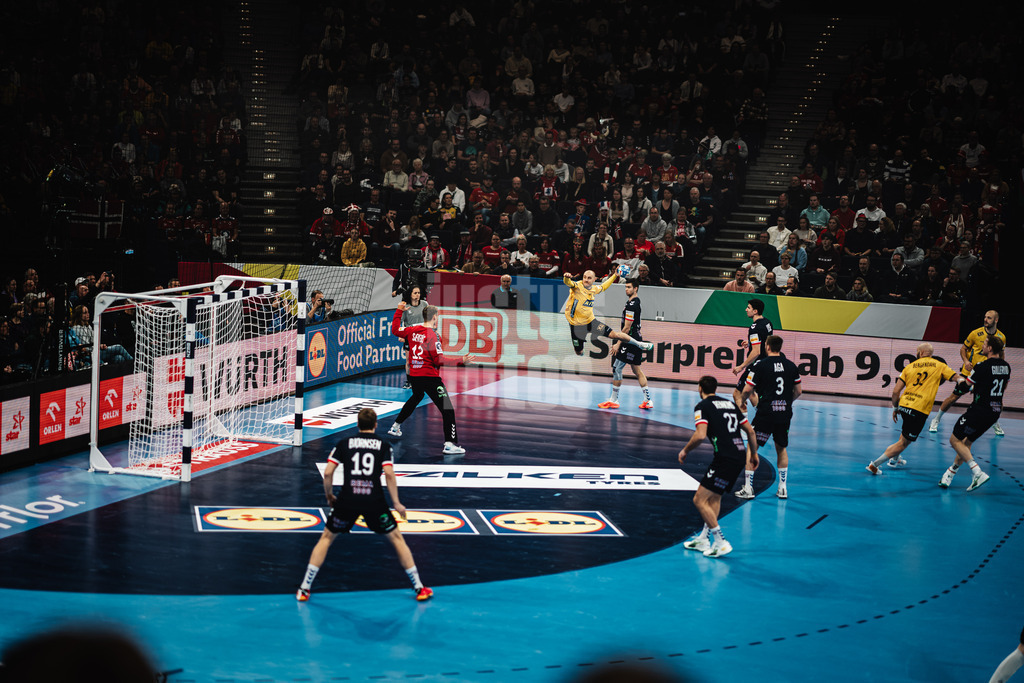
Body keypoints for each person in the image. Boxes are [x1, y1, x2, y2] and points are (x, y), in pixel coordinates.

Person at [296, 408, 433, 603]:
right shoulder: (383, 446)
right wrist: (396, 503)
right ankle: (419, 588)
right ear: (375, 424)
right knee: (396, 538)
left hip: (347, 499)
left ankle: (304, 588)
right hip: (373, 501)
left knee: (326, 538)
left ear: (358, 424)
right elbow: (390, 475)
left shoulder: (344, 443)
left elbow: (328, 473)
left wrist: (329, 496)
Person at [678, 375, 759, 558]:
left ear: (700, 388)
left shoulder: (702, 406)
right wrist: (753, 454)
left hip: (724, 458)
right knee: (714, 498)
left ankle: (721, 541)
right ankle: (704, 539)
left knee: (699, 500)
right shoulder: (730, 404)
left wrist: (685, 451)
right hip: (738, 456)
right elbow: (751, 431)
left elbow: (700, 435)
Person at [388, 301, 474, 454]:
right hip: (429, 377)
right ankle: (449, 444)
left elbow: (395, 329)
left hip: (414, 375)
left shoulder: (411, 330)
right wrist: (461, 360)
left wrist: (399, 311)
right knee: (448, 409)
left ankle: (395, 427)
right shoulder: (433, 336)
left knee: (416, 397)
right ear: (435, 317)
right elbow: (439, 360)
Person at [866, 343, 961, 475]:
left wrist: (895, 407)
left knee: (905, 433)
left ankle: (895, 459)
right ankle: (874, 464)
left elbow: (895, 391)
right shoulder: (939, 365)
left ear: (921, 353)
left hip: (905, 405)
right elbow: (955, 377)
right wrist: (963, 381)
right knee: (904, 443)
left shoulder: (909, 367)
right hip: (919, 409)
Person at [940, 335, 1009, 492]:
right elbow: (1000, 387)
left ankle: (977, 472)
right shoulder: (1006, 366)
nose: (981, 347)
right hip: (995, 411)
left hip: (979, 410)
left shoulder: (981, 366)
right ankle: (950, 473)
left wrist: (956, 380)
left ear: (990, 348)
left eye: (984, 344)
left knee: (954, 440)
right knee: (966, 443)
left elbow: (966, 387)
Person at [738, 335, 802, 499]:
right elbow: (798, 391)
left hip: (765, 413)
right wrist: (787, 403)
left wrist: (742, 401)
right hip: (784, 414)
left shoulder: (760, 365)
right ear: (780, 347)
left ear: (767, 347)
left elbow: (747, 390)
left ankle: (748, 488)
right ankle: (782, 488)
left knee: (753, 448)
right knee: (781, 448)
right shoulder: (791, 366)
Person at [931, 310, 1007, 435]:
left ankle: (995, 422)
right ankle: (936, 419)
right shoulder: (975, 333)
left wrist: (1000, 367)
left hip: (988, 374)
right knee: (954, 396)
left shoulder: (1001, 337)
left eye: (989, 318)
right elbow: (963, 348)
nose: (985, 319)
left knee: (996, 400)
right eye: (985, 317)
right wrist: (966, 361)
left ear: (996, 320)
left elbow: (1001, 354)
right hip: (970, 372)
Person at [562, 270, 654, 357]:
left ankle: (640, 344)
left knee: (614, 334)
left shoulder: (594, 289)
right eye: (584, 277)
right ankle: (581, 351)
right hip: (576, 326)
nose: (586, 280)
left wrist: (614, 276)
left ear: (594, 280)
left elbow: (603, 286)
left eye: (589, 278)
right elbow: (568, 283)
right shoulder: (577, 286)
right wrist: (566, 277)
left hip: (591, 322)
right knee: (578, 352)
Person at [598, 279, 653, 410]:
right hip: (635, 338)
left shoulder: (632, 305)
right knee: (636, 370)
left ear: (636, 288)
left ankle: (614, 400)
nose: (626, 289)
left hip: (629, 340)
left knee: (617, 368)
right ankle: (648, 400)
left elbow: (626, 328)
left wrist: (618, 343)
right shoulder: (633, 302)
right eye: (625, 287)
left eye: (629, 287)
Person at [732, 298, 773, 416]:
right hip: (766, 363)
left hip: (756, 365)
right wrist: (750, 342)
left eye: (748, 308)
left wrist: (741, 366)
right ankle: (763, 417)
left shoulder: (755, 327)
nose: (746, 310)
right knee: (751, 392)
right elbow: (764, 341)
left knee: (737, 394)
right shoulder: (767, 322)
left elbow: (756, 352)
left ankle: (744, 429)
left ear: (755, 311)